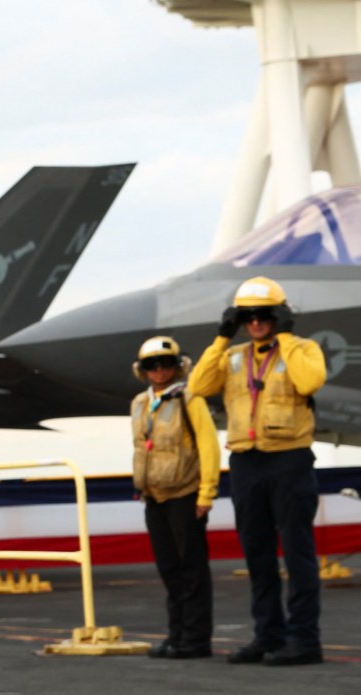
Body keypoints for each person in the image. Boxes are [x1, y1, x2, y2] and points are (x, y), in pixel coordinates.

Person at [189, 276, 327, 666]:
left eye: (263, 315)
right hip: (247, 463)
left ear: (280, 315)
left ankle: (305, 640)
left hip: (289, 460)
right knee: (257, 554)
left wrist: (283, 334)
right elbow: (199, 385)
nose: (255, 323)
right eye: (246, 317)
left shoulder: (303, 349)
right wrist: (220, 337)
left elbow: (310, 380)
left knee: (298, 553)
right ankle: (267, 636)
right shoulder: (233, 357)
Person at [130, 336, 220, 659]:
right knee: (169, 568)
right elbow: (142, 449)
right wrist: (142, 485)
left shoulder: (189, 399)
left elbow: (208, 446)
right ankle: (176, 634)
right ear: (142, 370)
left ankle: (196, 639)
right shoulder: (139, 403)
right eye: (151, 365)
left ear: (178, 366)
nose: (159, 370)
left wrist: (206, 493)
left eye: (166, 364)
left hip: (185, 494)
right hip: (154, 497)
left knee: (192, 568)